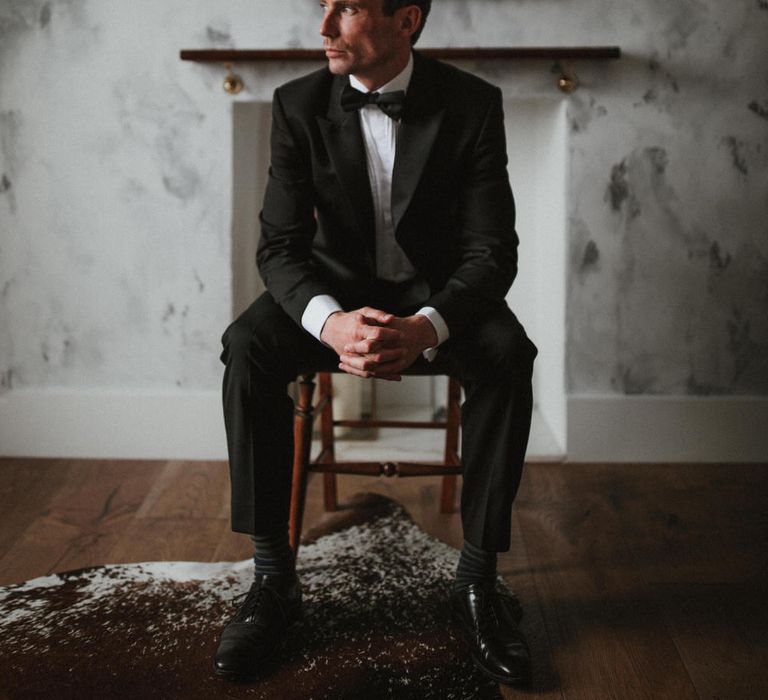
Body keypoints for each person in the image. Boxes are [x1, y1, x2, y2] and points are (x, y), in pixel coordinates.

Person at [214, 0, 537, 688]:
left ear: (406, 20)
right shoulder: (298, 104)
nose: (323, 27)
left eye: (347, 8)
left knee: (509, 354)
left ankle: (477, 581)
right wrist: (330, 323)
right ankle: (273, 579)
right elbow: (278, 248)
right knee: (247, 345)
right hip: (335, 301)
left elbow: (492, 251)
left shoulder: (472, 104)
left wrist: (427, 326)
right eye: (322, 8)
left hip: (438, 300)